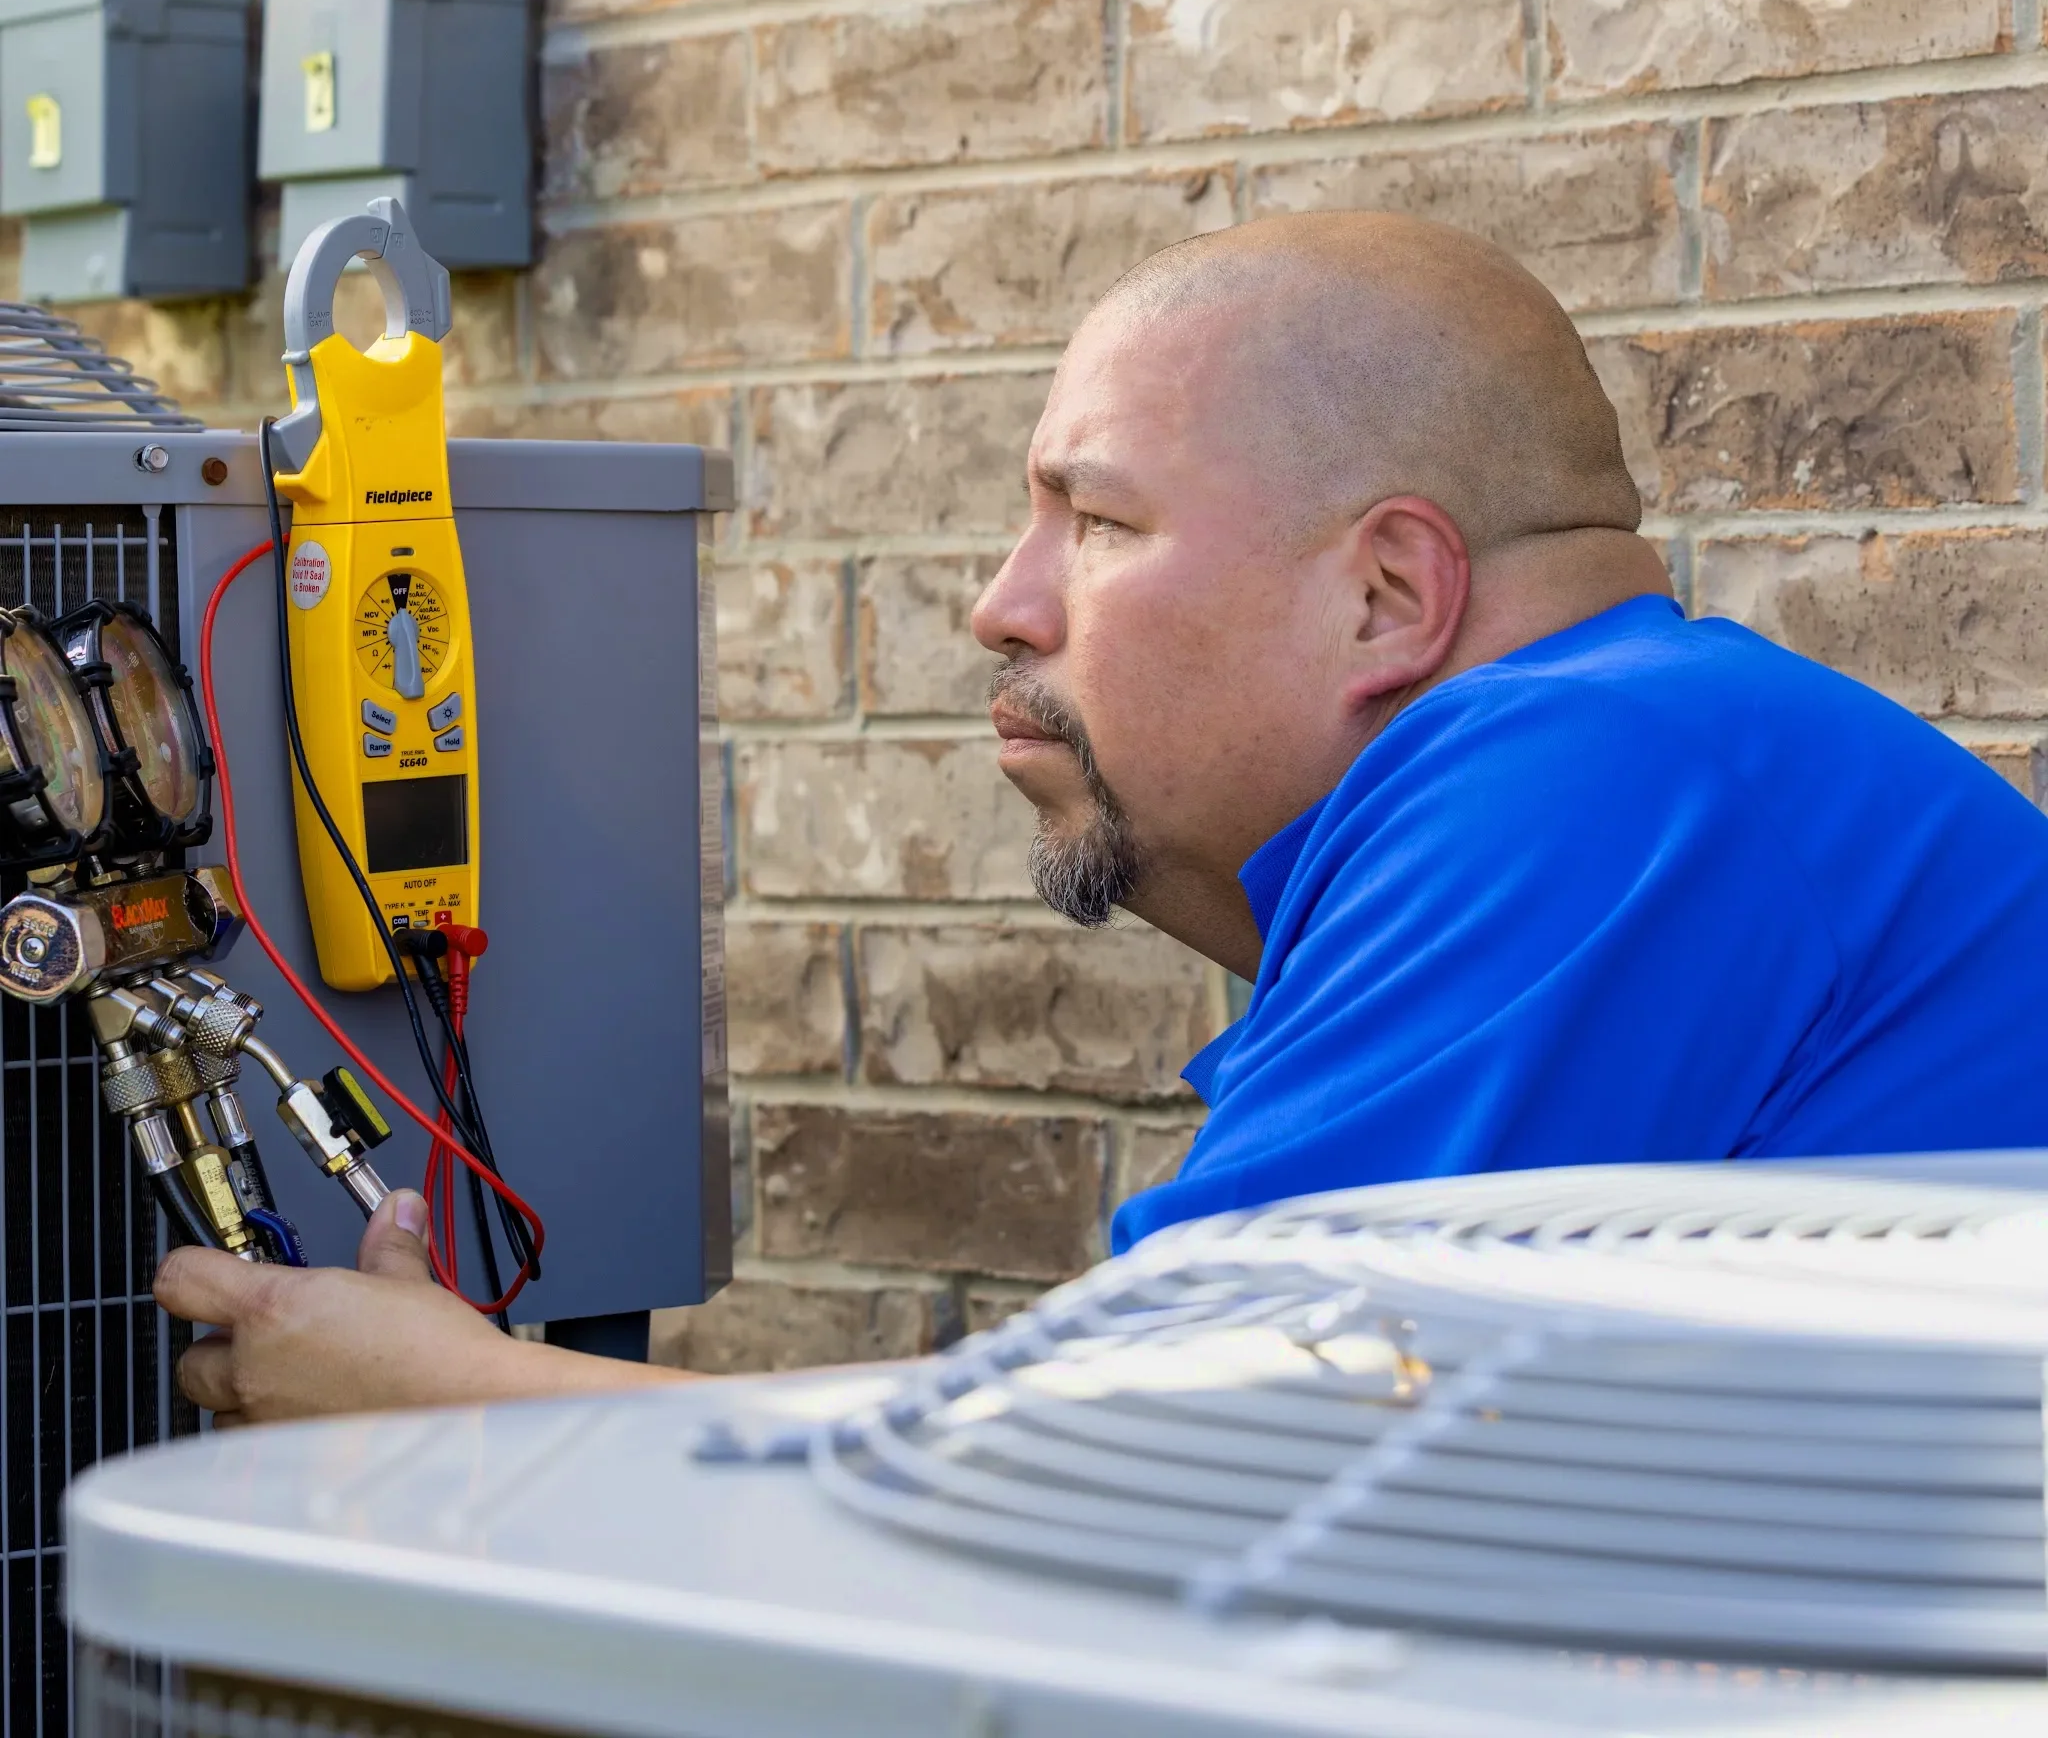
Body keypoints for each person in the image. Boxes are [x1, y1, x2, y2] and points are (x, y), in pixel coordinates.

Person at [157, 212, 2048, 1423]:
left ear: (1390, 596)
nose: (1004, 604)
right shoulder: (1637, 767)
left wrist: (455, 1402)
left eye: (1101, 521)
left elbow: (1126, 1481)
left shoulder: (1596, 778)